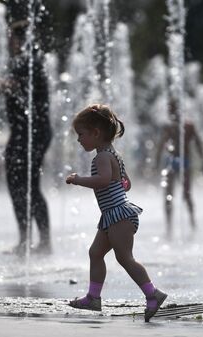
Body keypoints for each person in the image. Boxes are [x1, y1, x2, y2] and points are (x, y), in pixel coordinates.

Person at [65, 104, 167, 322]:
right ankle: (93, 298)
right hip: (113, 216)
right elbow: (126, 183)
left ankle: (153, 294)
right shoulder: (113, 154)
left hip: (118, 215)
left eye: (81, 134)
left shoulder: (101, 157)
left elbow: (102, 181)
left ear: (95, 133)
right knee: (95, 253)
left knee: (124, 258)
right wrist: (117, 182)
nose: (79, 140)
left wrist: (78, 180)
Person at [0, 18, 52, 255]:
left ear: (19, 39)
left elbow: (7, 87)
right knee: (26, 185)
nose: (8, 42)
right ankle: (34, 241)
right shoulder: (30, 61)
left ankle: (33, 241)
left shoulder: (26, 62)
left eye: (11, 37)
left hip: (31, 132)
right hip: (31, 131)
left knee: (23, 184)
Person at [154, 99, 203, 238]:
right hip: (171, 162)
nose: (171, 112)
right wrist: (156, 161)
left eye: (173, 108)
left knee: (187, 194)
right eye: (170, 109)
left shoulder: (188, 125)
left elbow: (198, 143)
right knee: (168, 195)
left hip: (184, 161)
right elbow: (161, 144)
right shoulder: (168, 127)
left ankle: (192, 223)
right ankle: (169, 228)